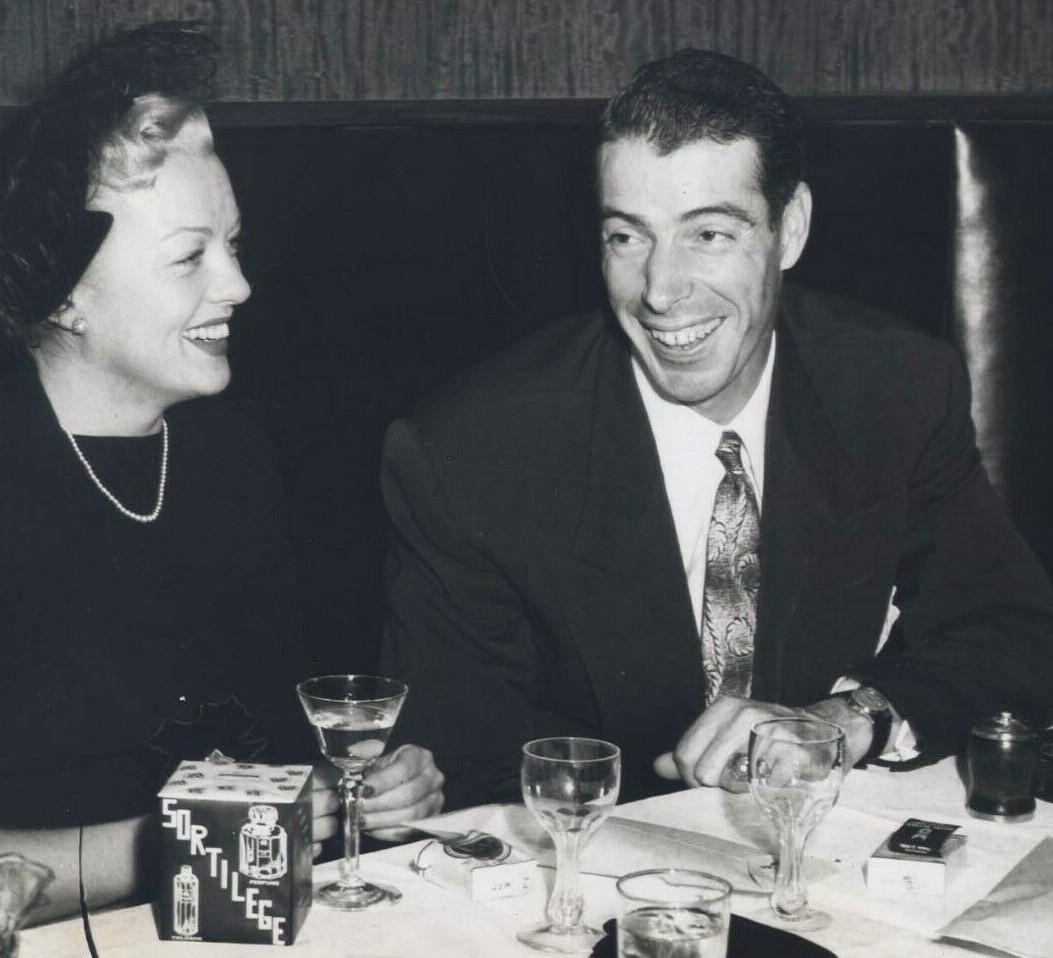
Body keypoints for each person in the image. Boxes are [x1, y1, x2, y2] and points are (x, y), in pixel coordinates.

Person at [0, 21, 442, 925]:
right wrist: (189, 839)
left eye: (234, 245)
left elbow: (262, 761)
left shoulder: (233, 460)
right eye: (189, 257)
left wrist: (355, 790)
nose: (238, 285)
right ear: (64, 294)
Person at [380, 48, 1053, 808]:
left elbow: (1012, 636)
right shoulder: (471, 450)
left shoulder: (894, 387)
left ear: (789, 228)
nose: (660, 292)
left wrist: (848, 718)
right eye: (627, 236)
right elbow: (458, 756)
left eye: (707, 235)